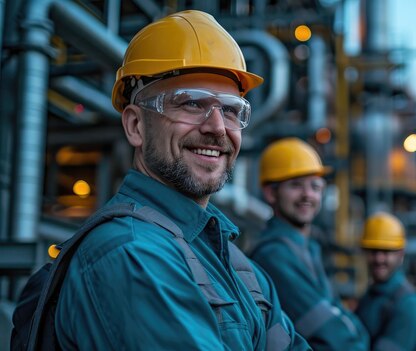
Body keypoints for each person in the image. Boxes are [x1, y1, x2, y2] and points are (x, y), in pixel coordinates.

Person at [54, 10, 310, 350]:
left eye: (231, 110)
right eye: (190, 103)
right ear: (135, 126)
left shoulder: (236, 264)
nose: (217, 127)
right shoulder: (131, 255)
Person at [250, 137, 369, 351]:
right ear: (270, 193)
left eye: (315, 186)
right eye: (296, 185)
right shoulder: (274, 254)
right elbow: (330, 334)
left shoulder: (306, 247)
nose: (308, 195)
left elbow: (338, 314)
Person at [356, 212, 416, 351]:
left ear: (401, 254)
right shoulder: (371, 296)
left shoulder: (410, 305)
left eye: (386, 251)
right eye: (373, 251)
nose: (379, 259)